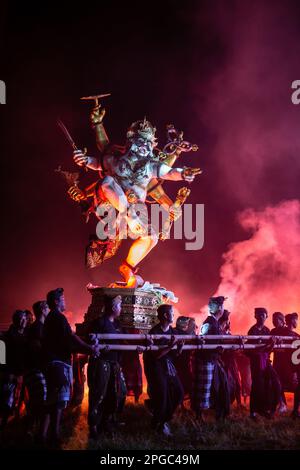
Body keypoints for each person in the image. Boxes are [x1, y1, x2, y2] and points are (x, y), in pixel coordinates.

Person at [72, 111, 201, 287]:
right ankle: (128, 217)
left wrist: (183, 174)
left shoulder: (151, 167)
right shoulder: (114, 160)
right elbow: (97, 163)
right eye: (141, 141)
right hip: (111, 207)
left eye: (148, 143)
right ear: (131, 141)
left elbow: (169, 172)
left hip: (134, 212)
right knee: (107, 181)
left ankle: (127, 267)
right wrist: (84, 159)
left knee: (152, 236)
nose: (144, 146)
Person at [42, 288, 100, 446]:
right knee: (58, 402)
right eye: (63, 299)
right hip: (58, 363)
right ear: (56, 302)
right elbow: (70, 338)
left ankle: (44, 435)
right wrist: (90, 348)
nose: (65, 302)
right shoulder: (57, 318)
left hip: (55, 363)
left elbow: (70, 339)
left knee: (53, 401)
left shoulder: (52, 318)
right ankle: (53, 437)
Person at [87, 295, 126, 438]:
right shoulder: (99, 323)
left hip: (114, 363)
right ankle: (94, 427)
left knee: (117, 393)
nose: (121, 309)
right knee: (98, 394)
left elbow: (124, 343)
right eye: (119, 306)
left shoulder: (118, 325)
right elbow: (91, 342)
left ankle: (107, 422)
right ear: (113, 307)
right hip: (101, 363)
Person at [143, 304, 184, 436]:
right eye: (172, 312)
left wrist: (179, 348)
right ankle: (160, 424)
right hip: (156, 367)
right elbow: (156, 355)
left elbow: (175, 354)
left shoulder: (173, 332)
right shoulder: (154, 332)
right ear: (166, 315)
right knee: (163, 395)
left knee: (179, 392)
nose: (173, 315)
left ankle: (162, 417)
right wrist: (171, 346)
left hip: (169, 366)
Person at [191, 296, 230, 421]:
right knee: (203, 387)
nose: (223, 309)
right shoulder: (209, 323)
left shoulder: (215, 323)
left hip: (212, 360)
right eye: (222, 306)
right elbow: (203, 341)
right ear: (219, 308)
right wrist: (217, 349)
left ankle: (216, 413)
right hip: (205, 360)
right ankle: (199, 416)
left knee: (217, 385)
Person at [247, 307, 281, 420]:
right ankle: (253, 412)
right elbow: (251, 350)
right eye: (259, 314)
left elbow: (268, 349)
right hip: (256, 363)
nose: (261, 317)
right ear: (255, 316)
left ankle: (270, 409)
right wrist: (267, 346)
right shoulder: (252, 331)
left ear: (266, 316)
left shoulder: (267, 330)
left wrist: (272, 344)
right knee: (257, 386)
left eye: (263, 314)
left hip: (266, 362)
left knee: (275, 383)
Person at [23, 300, 49, 435]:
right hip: (36, 370)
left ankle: (30, 429)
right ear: (43, 310)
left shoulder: (39, 327)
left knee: (36, 402)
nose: (49, 310)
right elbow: (37, 349)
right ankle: (34, 432)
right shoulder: (38, 328)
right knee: (40, 403)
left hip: (36, 369)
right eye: (47, 308)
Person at [0, 310, 28, 429]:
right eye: (20, 318)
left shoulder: (27, 336)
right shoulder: (6, 336)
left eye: (24, 318)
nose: (23, 321)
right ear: (15, 320)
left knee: (21, 399)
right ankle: (4, 422)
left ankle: (16, 422)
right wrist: (5, 370)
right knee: (6, 400)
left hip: (23, 372)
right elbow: (1, 355)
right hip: (10, 373)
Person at [219, 310, 241, 406]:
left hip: (232, 361)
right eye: (227, 318)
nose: (229, 321)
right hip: (224, 362)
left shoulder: (228, 332)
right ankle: (225, 403)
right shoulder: (219, 331)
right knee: (227, 383)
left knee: (237, 382)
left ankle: (239, 404)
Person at [174, 316, 193, 406]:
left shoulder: (174, 331)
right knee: (184, 383)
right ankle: (180, 404)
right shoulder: (185, 335)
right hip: (181, 364)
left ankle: (180, 404)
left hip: (177, 363)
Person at [270, 312, 288, 413]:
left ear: (281, 319)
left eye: (275, 319)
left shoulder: (286, 331)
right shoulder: (273, 331)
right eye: (272, 319)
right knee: (276, 383)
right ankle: (281, 404)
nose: (273, 321)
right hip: (277, 361)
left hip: (286, 362)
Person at [285, 313, 300, 418]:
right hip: (291, 365)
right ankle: (294, 411)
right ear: (292, 321)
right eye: (296, 320)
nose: (297, 322)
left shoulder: (296, 335)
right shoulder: (286, 334)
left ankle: (295, 411)